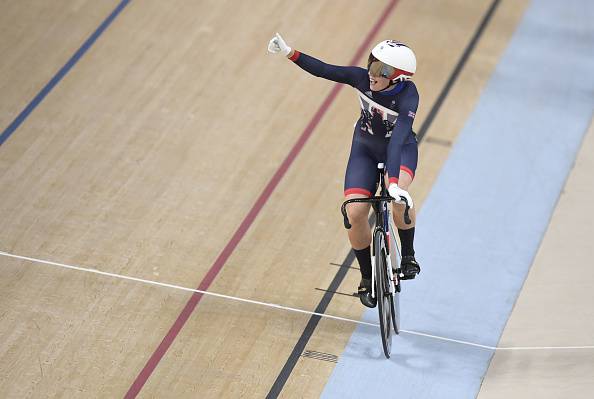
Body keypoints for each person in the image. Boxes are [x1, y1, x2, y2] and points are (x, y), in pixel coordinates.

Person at [268, 33, 420, 308]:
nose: (372, 73)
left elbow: (397, 140)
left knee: (399, 202)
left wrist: (395, 183)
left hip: (400, 149)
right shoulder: (361, 78)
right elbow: (325, 70)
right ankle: (366, 277)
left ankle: (408, 255)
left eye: (381, 70)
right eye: (372, 63)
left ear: (398, 77)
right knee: (355, 212)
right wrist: (290, 52)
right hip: (364, 148)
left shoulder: (409, 97)